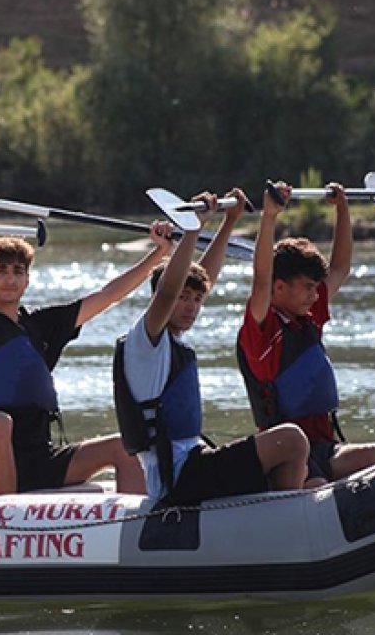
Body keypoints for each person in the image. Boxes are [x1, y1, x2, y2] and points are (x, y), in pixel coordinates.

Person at [0, 177, 153, 496]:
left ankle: (134, 535)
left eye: (17, 272)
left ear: (27, 280)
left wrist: (158, 255)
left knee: (125, 447)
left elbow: (108, 295)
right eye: (1, 272)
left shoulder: (43, 326)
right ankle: (6, 524)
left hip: (38, 457)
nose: (9, 280)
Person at [115, 190, 309, 505]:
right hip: (178, 478)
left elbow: (204, 277)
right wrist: (192, 229)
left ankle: (274, 511)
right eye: (184, 298)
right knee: (290, 440)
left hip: (197, 462)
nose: (192, 307)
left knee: (282, 449)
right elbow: (167, 293)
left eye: (196, 300)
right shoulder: (146, 341)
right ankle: (285, 520)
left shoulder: (174, 339)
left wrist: (229, 222)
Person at [237, 181, 375, 488]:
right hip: (288, 455)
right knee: (317, 490)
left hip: (324, 448)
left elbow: (340, 267)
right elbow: (260, 280)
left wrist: (343, 209)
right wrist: (269, 216)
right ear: (279, 287)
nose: (315, 294)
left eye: (315, 287)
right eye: (308, 287)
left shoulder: (308, 317)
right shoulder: (262, 329)